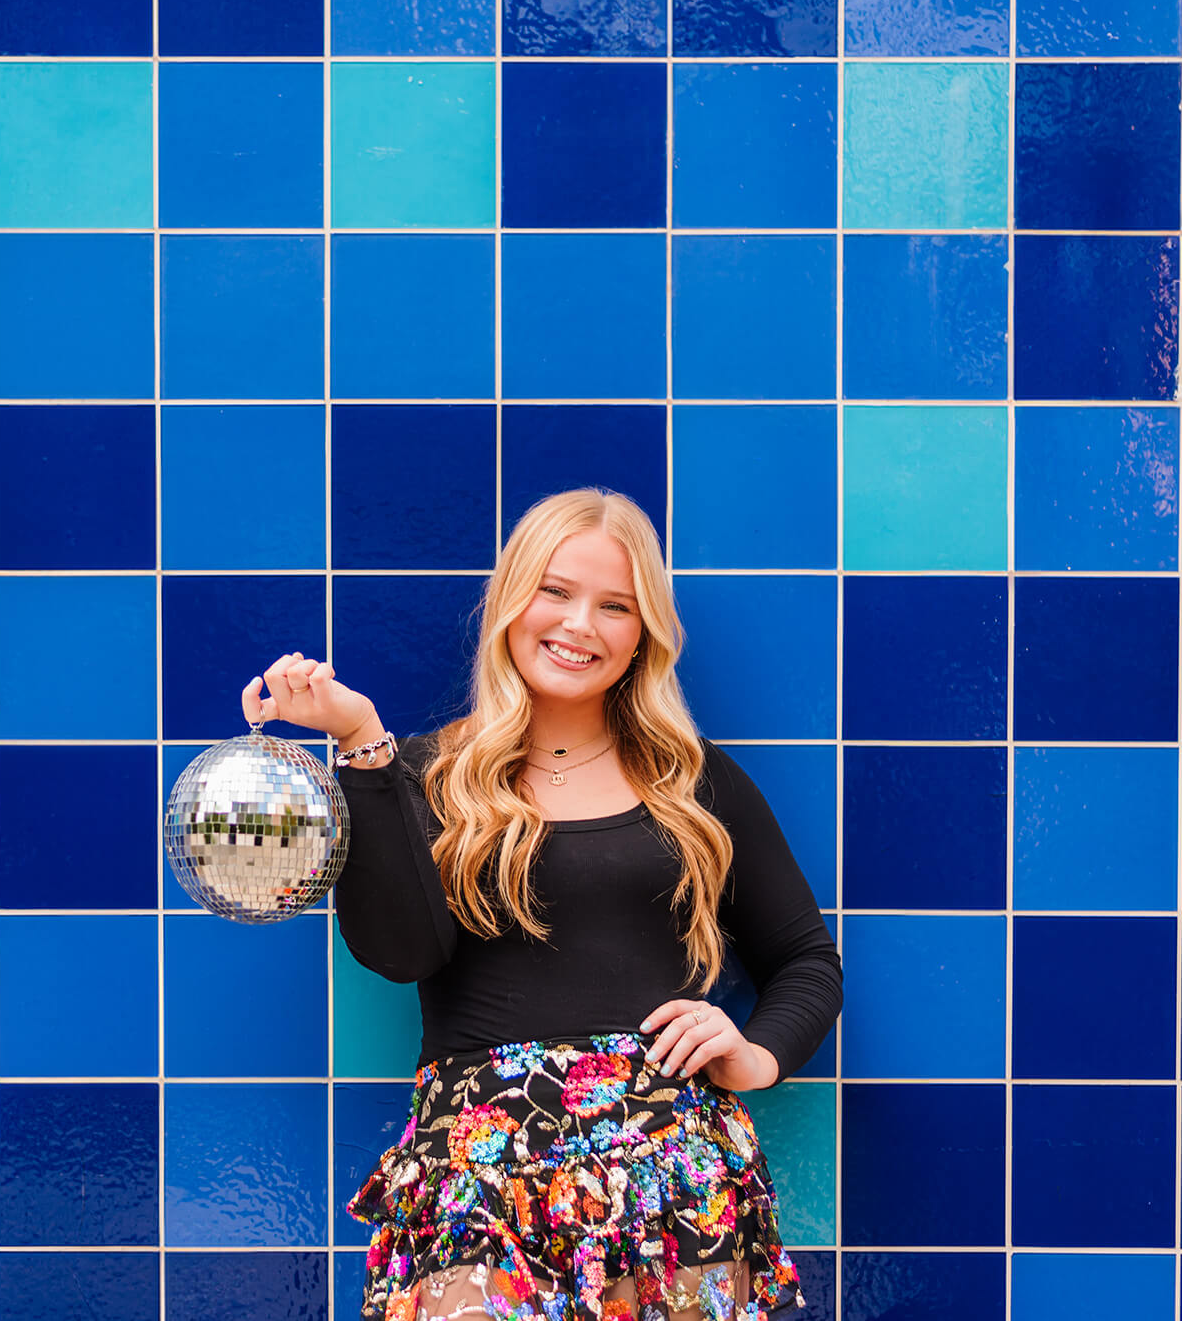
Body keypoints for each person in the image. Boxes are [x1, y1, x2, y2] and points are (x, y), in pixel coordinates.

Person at [240, 488, 843, 1321]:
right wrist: (359, 742)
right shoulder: (423, 774)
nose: (580, 624)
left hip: (669, 1180)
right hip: (479, 1184)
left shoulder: (694, 784)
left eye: (615, 606)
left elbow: (808, 960)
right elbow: (399, 952)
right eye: (555, 591)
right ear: (510, 600)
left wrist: (754, 1052)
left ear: (644, 636)